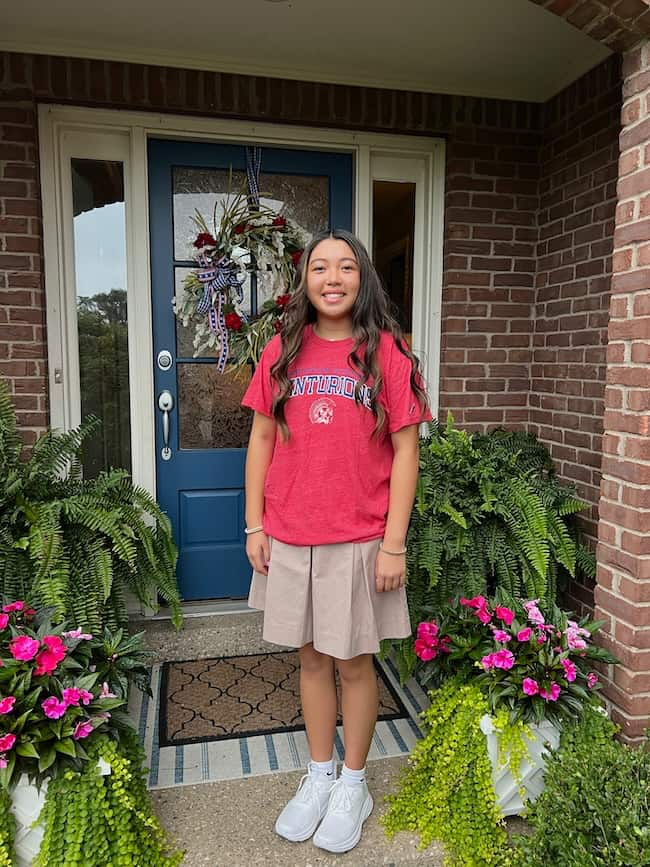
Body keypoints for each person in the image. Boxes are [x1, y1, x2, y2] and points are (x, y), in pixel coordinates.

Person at [241, 228, 431, 854]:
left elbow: (407, 454)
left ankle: (354, 782)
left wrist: (394, 544)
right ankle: (319, 774)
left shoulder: (387, 355)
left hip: (358, 538)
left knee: (353, 662)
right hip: (291, 534)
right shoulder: (282, 351)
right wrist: (254, 524)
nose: (332, 278)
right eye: (319, 267)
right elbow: (261, 442)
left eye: (345, 267)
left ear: (362, 279)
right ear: (305, 281)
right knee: (310, 659)